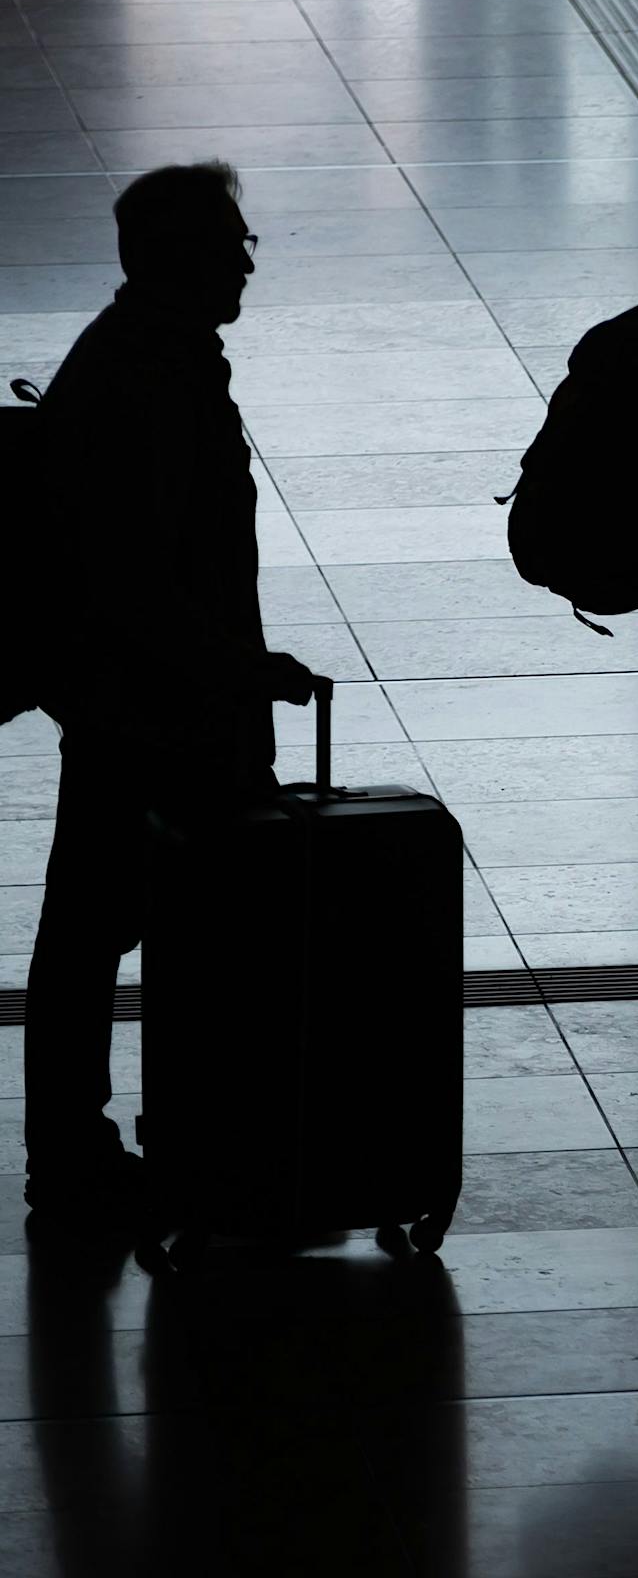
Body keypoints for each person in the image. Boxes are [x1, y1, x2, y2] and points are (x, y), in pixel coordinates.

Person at [25, 161, 319, 1233]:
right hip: (151, 709)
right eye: (232, 240)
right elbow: (136, 574)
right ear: (181, 255)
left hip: (137, 696)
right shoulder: (149, 375)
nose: (247, 257)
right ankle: (90, 1152)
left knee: (103, 923)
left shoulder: (150, 354)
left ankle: (106, 1144)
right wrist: (237, 671)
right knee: (112, 924)